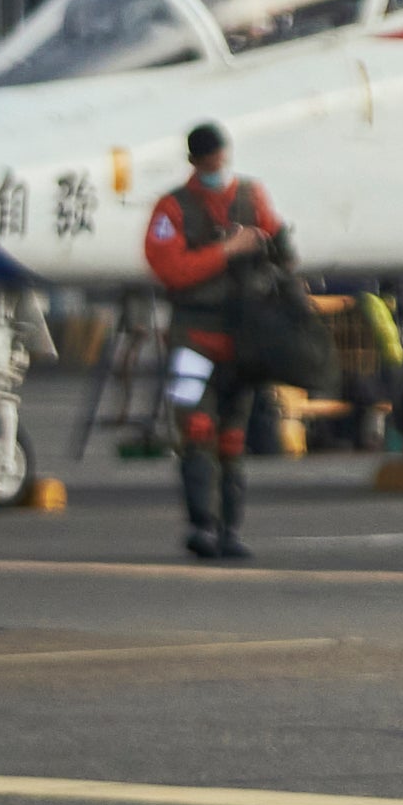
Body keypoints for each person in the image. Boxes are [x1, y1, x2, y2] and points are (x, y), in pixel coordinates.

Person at [144, 121, 288, 563]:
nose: (217, 166)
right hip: (192, 342)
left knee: (231, 437)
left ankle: (230, 530)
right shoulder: (172, 209)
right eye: (209, 160)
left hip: (240, 344)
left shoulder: (252, 197)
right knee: (196, 430)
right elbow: (172, 269)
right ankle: (202, 525)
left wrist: (262, 245)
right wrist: (226, 251)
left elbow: (281, 249)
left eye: (220, 157)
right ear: (195, 161)